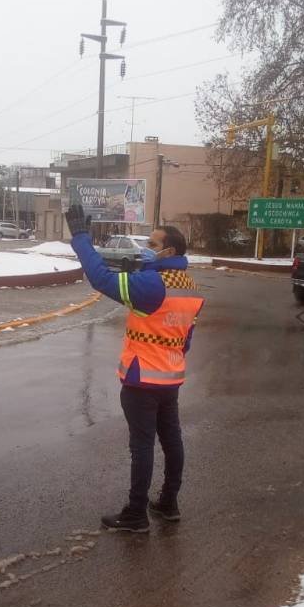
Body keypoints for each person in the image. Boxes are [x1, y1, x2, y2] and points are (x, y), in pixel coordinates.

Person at [65, 204, 204, 532]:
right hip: (171, 379)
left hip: (142, 379)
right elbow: (186, 339)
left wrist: (81, 238)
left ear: (169, 250)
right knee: (172, 440)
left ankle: (136, 514)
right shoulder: (190, 288)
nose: (146, 249)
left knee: (142, 446)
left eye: (153, 244)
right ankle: (168, 503)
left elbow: (101, 279)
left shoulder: (151, 286)